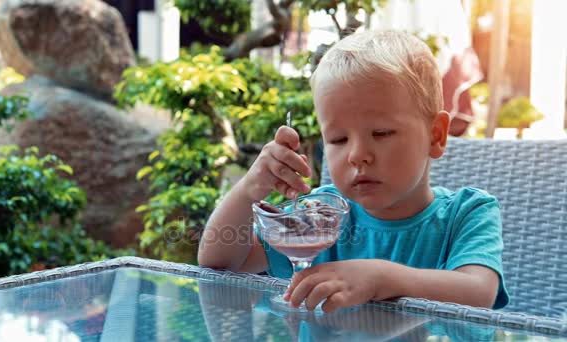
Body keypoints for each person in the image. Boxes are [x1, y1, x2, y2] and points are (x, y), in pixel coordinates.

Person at [198, 29, 509, 313]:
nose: (357, 155)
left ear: (436, 135)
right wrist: (249, 189)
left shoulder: (467, 214)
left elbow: (479, 291)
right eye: (338, 139)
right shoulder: (319, 217)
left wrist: (382, 278)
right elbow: (220, 261)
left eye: (382, 133)